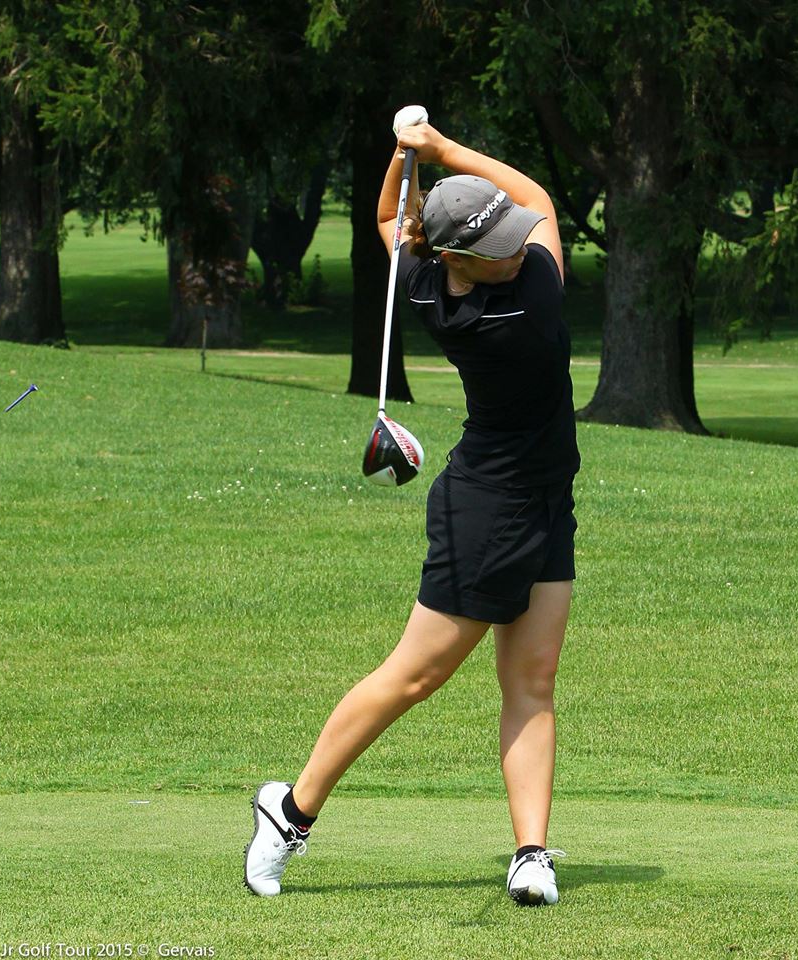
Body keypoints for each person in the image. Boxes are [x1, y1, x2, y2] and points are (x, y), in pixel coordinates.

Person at [244, 115, 581, 906]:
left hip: (541, 499)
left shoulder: (431, 279)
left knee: (532, 679)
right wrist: (437, 149)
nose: (520, 237)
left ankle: (530, 852)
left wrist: (410, 156)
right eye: (501, 237)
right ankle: (287, 813)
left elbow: (394, 220)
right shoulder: (524, 294)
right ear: (464, 256)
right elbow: (533, 198)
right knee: (413, 677)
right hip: (485, 511)